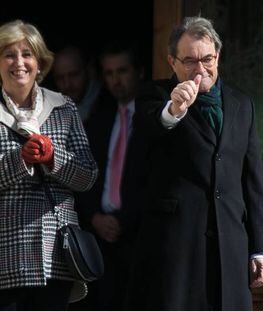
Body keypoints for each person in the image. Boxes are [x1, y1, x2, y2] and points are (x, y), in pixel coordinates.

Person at [124, 16, 263, 311]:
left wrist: (261, 249)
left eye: (207, 59)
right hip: (176, 249)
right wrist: (174, 109)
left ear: (217, 57)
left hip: (230, 247)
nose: (200, 69)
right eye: (190, 61)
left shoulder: (242, 104)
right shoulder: (153, 97)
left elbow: (253, 181)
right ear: (172, 62)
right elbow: (151, 127)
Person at [0, 20, 98, 311]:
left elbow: (89, 176)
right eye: (8, 54)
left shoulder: (63, 107)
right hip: (6, 255)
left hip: (54, 255)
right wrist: (21, 160)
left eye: (27, 53)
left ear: (40, 63)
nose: (19, 62)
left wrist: (54, 158)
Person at [75, 42, 144, 311]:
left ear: (139, 71)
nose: (116, 80)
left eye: (122, 71)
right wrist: (94, 217)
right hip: (101, 240)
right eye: (109, 73)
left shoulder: (155, 120)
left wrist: (124, 220)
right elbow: (82, 176)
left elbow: (156, 182)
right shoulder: (98, 121)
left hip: (139, 239)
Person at [51, 46, 102, 124]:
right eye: (60, 78)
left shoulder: (110, 106)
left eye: (73, 75)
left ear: (90, 71)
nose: (67, 84)